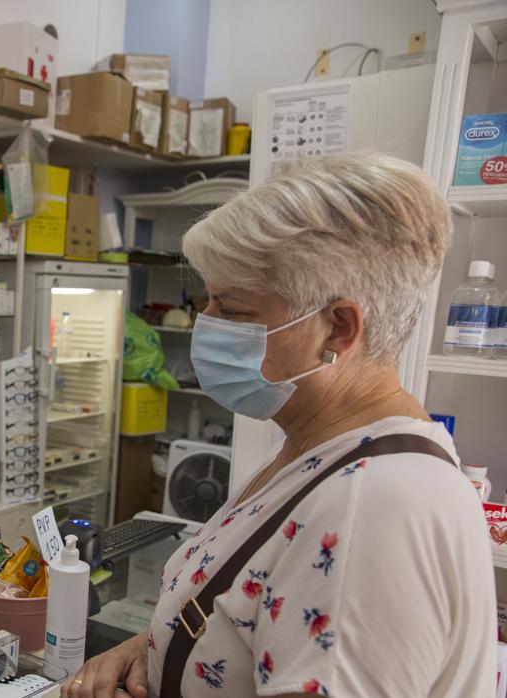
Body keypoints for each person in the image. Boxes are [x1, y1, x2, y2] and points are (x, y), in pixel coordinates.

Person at [62, 153, 495, 698]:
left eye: (234, 308)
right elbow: (245, 610)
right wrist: (157, 646)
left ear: (336, 328)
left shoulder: (376, 505)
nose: (207, 324)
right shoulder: (316, 447)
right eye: (208, 300)